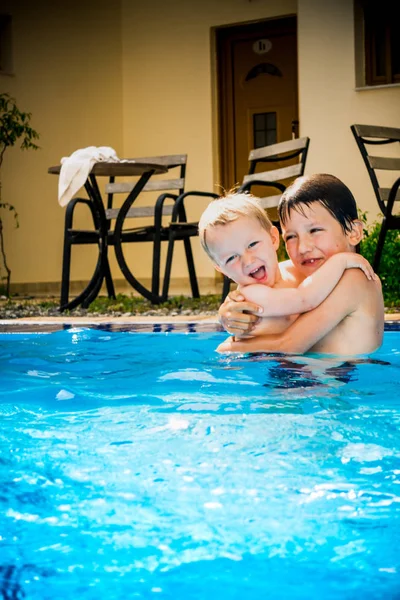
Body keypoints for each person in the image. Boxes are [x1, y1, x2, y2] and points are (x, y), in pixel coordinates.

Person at [216, 174, 385, 356]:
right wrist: (228, 313)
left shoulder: (355, 279)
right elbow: (255, 291)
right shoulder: (304, 274)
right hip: (309, 375)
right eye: (291, 237)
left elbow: (289, 345)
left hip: (346, 378)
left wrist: (230, 347)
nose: (303, 247)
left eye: (315, 230)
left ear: (353, 232)